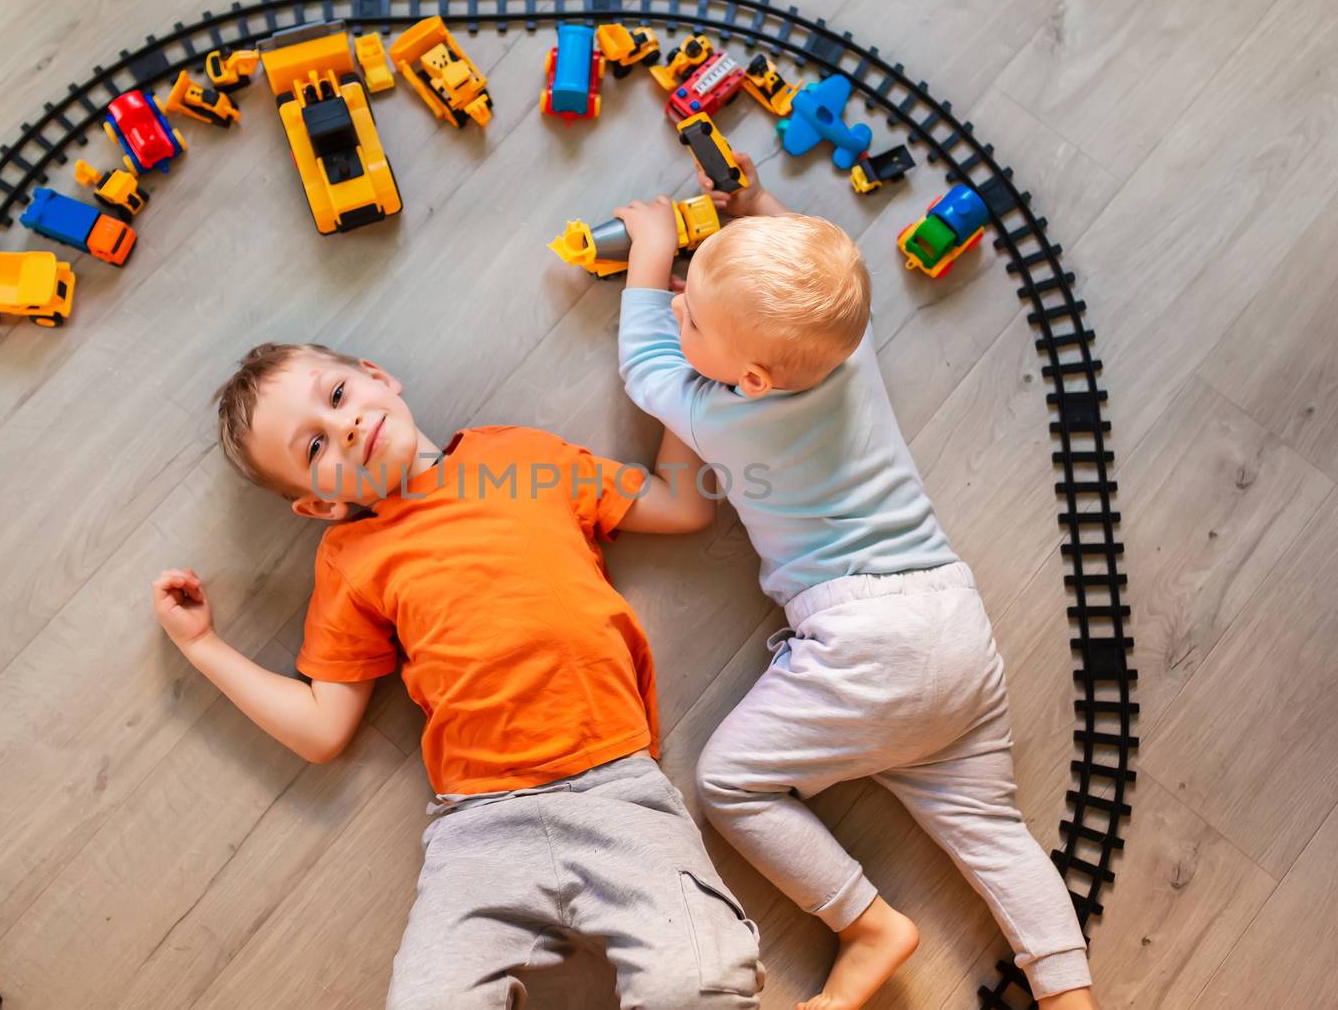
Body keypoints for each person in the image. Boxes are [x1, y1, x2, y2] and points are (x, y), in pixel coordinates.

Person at [608, 153, 1099, 1010]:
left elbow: (646, 370)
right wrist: (755, 205)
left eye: (692, 317)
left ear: (750, 380)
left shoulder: (726, 412)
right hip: (949, 626)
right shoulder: (849, 343)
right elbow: (824, 281)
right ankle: (1070, 992)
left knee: (728, 783)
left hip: (866, 638)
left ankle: (868, 920)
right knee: (994, 832)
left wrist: (652, 256)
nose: (679, 306)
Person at [151, 341, 764, 1008]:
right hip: (481, 825)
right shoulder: (352, 558)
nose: (347, 426)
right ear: (321, 505)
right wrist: (203, 645)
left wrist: (683, 376)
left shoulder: (520, 456)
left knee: (699, 988)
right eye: (315, 449)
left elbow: (681, 504)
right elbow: (322, 729)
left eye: (337, 396)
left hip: (618, 792)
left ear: (380, 375)